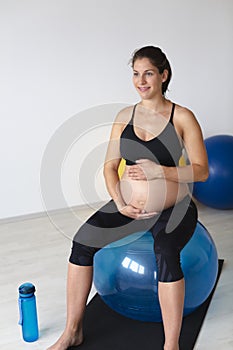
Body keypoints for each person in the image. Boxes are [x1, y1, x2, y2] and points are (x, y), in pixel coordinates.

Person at [48, 46, 209, 350]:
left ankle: (171, 344)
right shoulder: (125, 116)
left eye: (148, 73)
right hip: (129, 207)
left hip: (174, 208)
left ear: (163, 75)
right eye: (135, 74)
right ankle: (73, 330)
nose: (141, 80)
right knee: (82, 243)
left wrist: (160, 171)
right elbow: (109, 168)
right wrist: (120, 202)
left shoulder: (182, 117)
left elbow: (201, 172)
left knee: (165, 250)